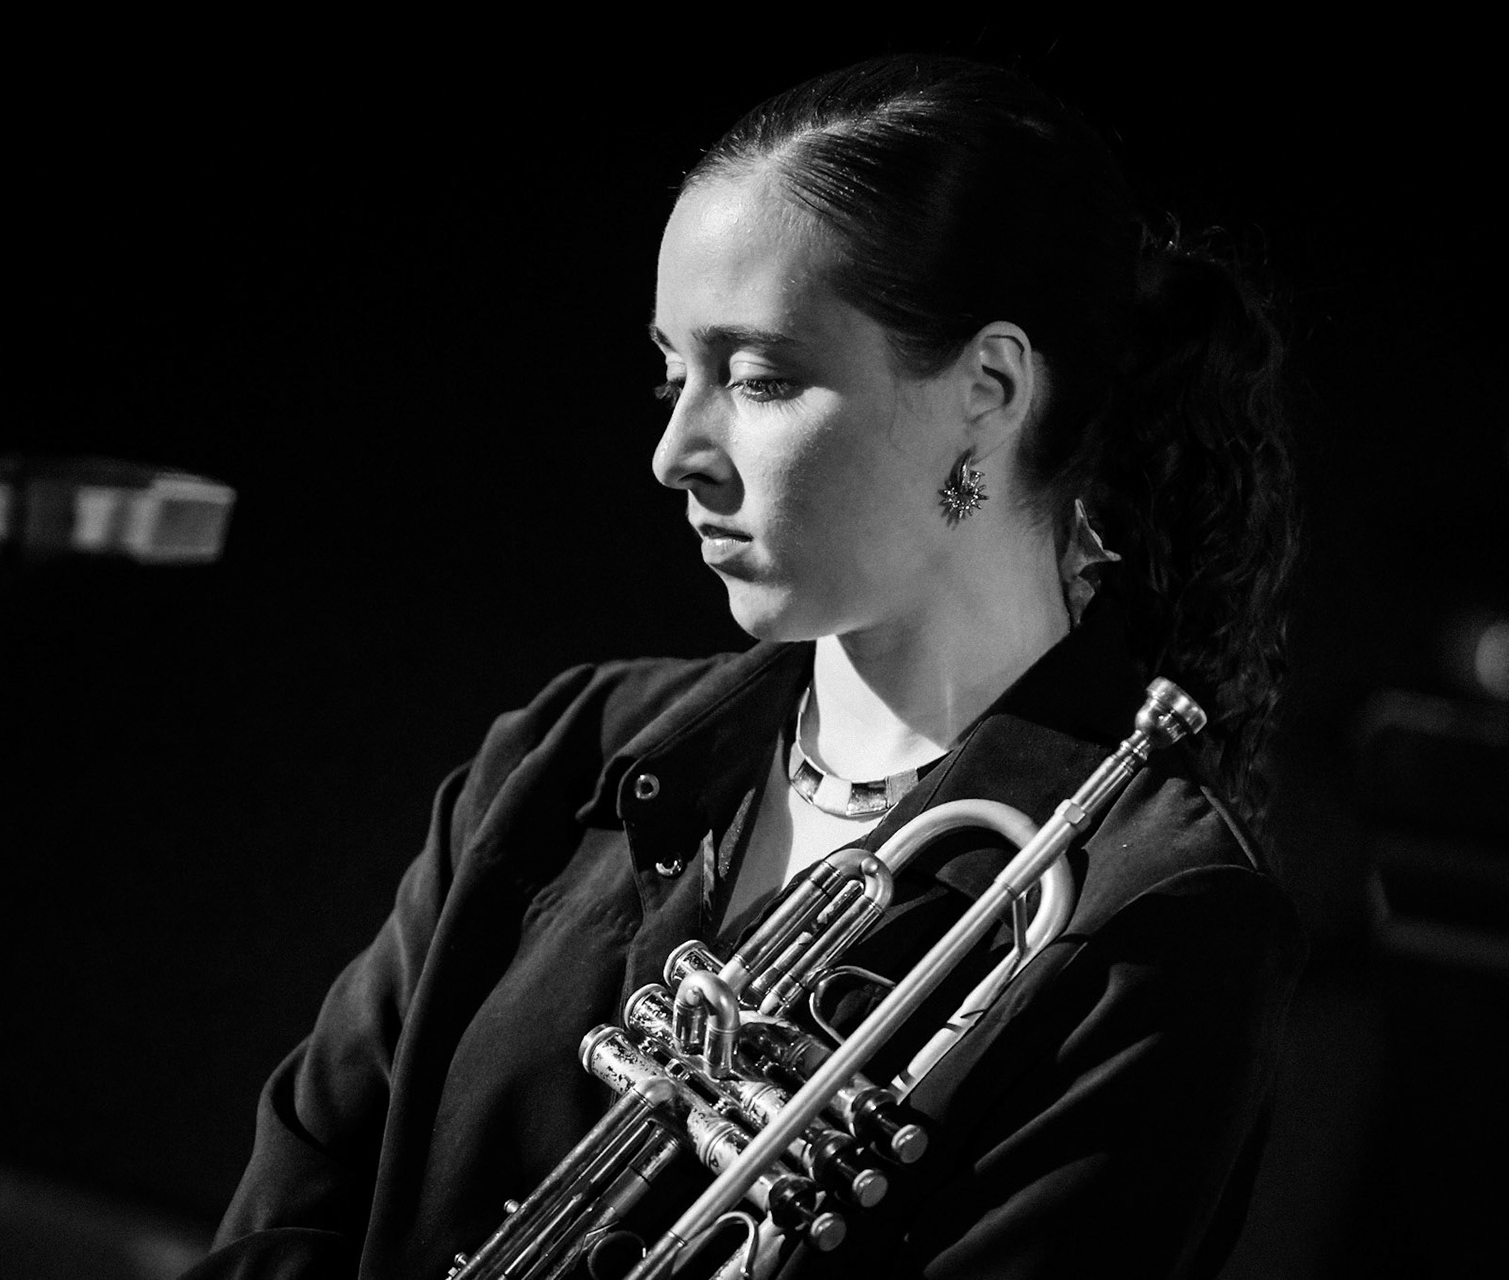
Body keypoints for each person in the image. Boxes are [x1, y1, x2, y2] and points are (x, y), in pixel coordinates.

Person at [191, 54, 1304, 1280]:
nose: (675, 452)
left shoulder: (1155, 916)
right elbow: (289, 1212)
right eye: (674, 375)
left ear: (987, 387)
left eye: (760, 377)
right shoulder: (569, 753)